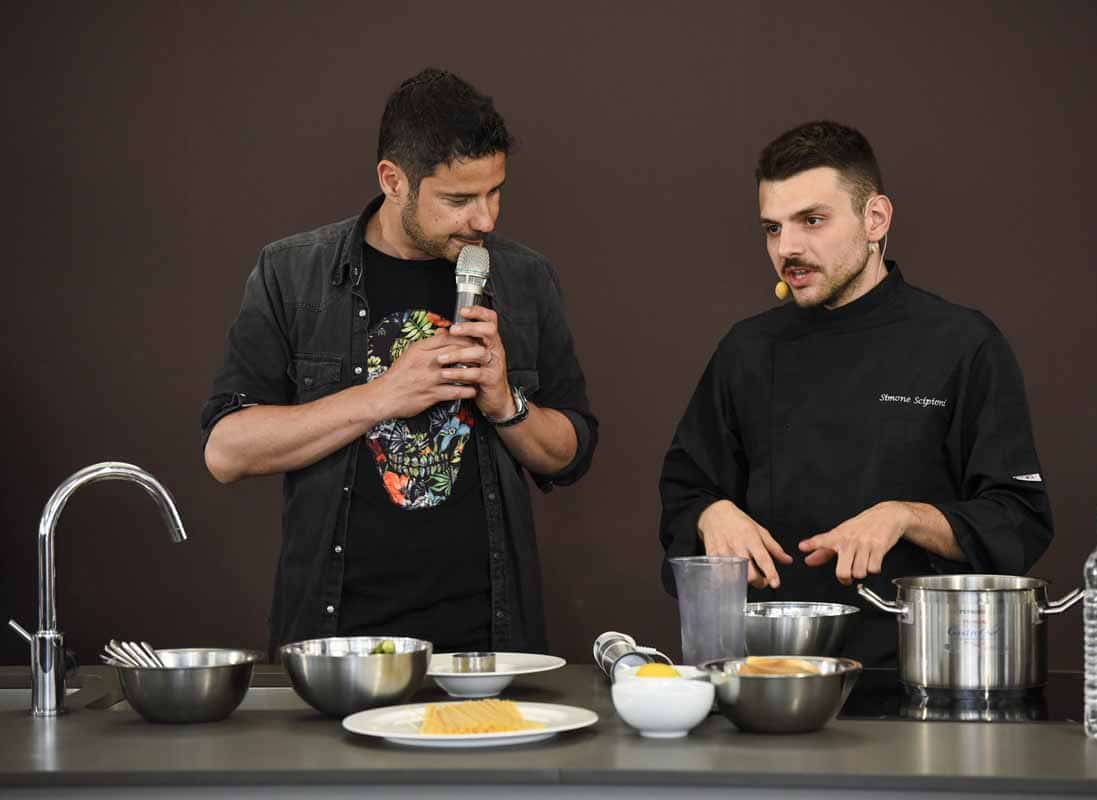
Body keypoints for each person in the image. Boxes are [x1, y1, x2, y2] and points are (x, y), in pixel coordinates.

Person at [201, 68, 597, 656]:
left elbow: (569, 453)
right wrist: (382, 395)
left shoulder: (524, 279)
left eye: (495, 192)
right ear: (393, 180)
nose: (485, 219)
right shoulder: (292, 274)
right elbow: (226, 452)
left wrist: (504, 401)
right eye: (459, 199)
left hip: (487, 646)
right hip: (338, 649)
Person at [658, 121, 1052, 666]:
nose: (787, 248)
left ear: (875, 219)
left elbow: (1018, 520)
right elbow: (684, 492)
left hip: (918, 676)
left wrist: (904, 516)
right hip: (770, 676)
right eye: (772, 229)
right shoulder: (748, 349)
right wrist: (711, 513)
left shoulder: (962, 344)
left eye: (812, 221)